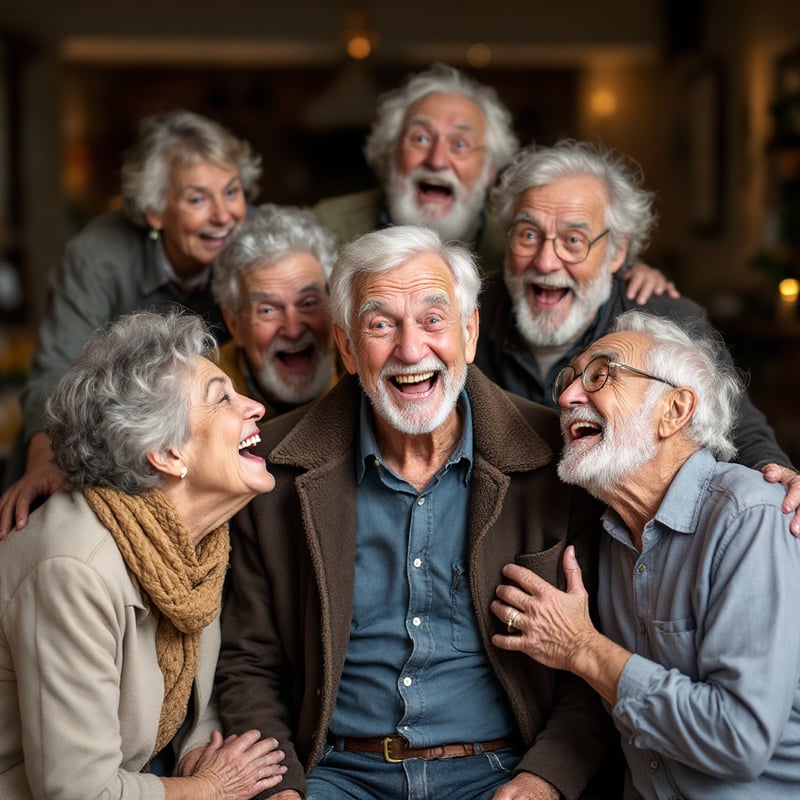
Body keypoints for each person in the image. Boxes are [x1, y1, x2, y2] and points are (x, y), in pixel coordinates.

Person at [216, 224, 611, 800]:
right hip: (336, 777)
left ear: (469, 332)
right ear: (347, 349)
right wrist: (281, 790)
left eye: (433, 319)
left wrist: (545, 778)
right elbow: (248, 663)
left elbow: (599, 655)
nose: (409, 349)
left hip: (503, 773)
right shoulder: (272, 471)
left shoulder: (561, 456)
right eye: (380, 325)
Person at [491, 310, 800, 798]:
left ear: (673, 411)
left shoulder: (749, 517)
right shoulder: (611, 531)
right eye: (569, 381)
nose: (569, 398)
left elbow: (739, 738)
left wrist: (581, 648)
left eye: (600, 376)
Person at [0, 310, 286, 798]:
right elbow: (78, 792)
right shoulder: (73, 568)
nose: (255, 407)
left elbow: (196, 696)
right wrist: (211, 788)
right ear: (168, 454)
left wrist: (200, 751)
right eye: (223, 398)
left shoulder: (194, 542)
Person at [475, 137, 800, 532]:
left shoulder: (663, 320)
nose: (546, 260)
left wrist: (774, 473)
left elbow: (737, 430)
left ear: (616, 251)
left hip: (619, 550)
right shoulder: (468, 312)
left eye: (573, 241)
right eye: (527, 234)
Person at [0, 108, 261, 537]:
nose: (224, 215)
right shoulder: (98, 254)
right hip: (100, 455)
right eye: (197, 199)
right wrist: (43, 464)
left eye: (232, 192)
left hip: (202, 459)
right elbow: (56, 371)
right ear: (154, 210)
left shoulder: (252, 245)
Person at [312, 62, 672, 300]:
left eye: (460, 144)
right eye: (420, 139)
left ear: (488, 170)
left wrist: (629, 273)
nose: (437, 159)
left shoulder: (522, 243)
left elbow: (582, 269)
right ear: (390, 154)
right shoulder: (326, 228)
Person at [211, 203, 338, 418]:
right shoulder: (205, 402)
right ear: (234, 325)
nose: (293, 329)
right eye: (268, 310)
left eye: (308, 303)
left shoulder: (363, 365)